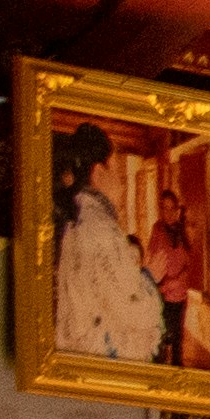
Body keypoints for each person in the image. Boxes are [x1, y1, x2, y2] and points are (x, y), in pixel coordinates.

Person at [49, 127, 166, 369]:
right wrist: (149, 276)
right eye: (119, 176)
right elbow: (131, 308)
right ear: (99, 172)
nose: (122, 186)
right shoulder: (100, 227)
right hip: (97, 358)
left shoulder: (77, 219)